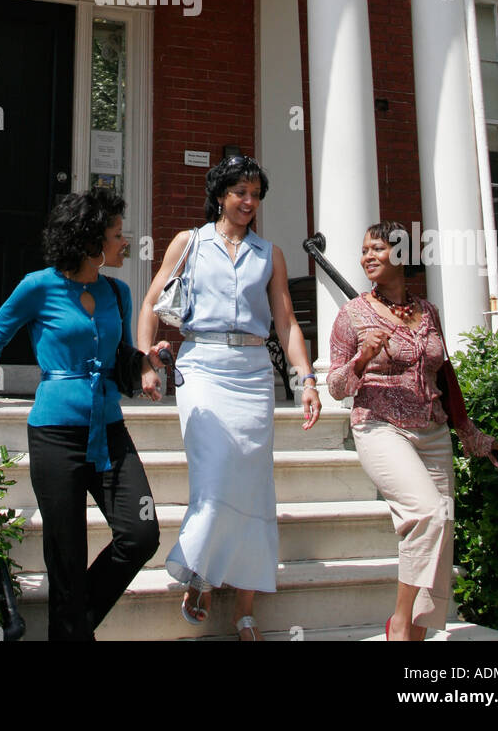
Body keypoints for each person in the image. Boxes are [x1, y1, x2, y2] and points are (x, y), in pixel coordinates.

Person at [138, 154, 320, 641]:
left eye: (256, 193)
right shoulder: (189, 243)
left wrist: (306, 379)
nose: (249, 201)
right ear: (220, 195)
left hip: (254, 372)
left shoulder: (270, 254)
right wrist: (145, 361)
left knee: (255, 484)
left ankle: (245, 606)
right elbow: (151, 303)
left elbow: (285, 323)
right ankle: (198, 570)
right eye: (240, 191)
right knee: (215, 476)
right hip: (201, 365)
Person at [0, 187, 163, 642]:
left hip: (109, 432)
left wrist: (146, 362)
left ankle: (70, 629)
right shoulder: (38, 286)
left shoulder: (118, 291)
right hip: (55, 435)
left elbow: (119, 357)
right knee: (66, 557)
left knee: (141, 534)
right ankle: (73, 631)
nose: (126, 242)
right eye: (117, 235)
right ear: (91, 241)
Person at [327, 220, 498, 642]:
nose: (367, 256)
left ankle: (418, 633)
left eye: (378, 249)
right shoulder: (353, 315)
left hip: (433, 431)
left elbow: (446, 375)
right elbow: (335, 387)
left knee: (440, 532)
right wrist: (362, 359)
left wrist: (466, 430)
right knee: (426, 513)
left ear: (402, 255)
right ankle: (401, 625)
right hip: (380, 426)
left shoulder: (429, 311)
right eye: (364, 249)